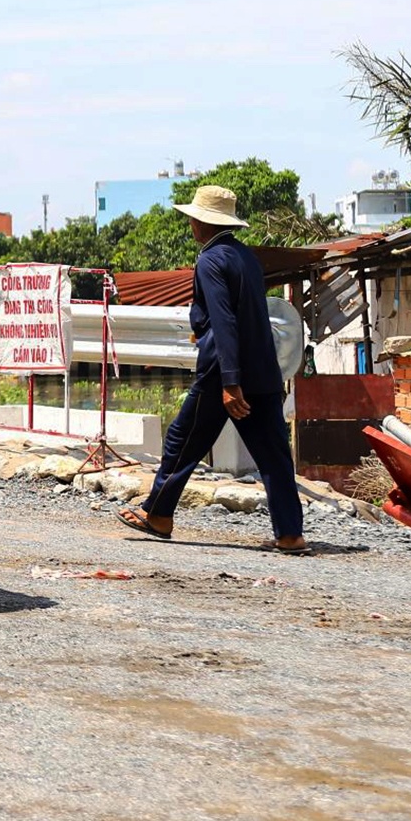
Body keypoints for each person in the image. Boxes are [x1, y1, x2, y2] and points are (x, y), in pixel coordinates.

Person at [117, 185, 307, 554]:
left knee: (181, 442)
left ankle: (157, 515)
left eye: (192, 217)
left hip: (223, 371)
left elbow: (223, 322)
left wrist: (230, 382)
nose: (190, 222)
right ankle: (290, 534)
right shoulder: (245, 257)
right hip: (263, 371)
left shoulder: (210, 260)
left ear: (201, 221)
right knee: (273, 455)